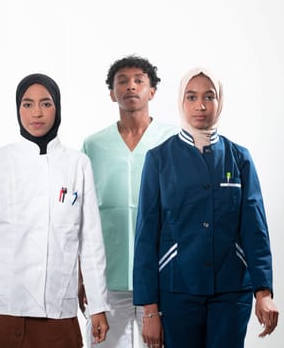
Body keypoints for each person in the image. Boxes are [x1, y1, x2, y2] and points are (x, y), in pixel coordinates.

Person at [0, 73, 110, 348]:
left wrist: (98, 305)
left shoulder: (78, 164)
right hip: (4, 306)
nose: (36, 112)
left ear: (58, 107)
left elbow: (91, 242)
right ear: (18, 109)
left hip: (57, 309)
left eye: (46, 103)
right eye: (27, 104)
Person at [133, 67, 279, 348]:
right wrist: (149, 310)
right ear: (181, 102)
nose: (200, 105)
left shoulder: (239, 159)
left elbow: (255, 229)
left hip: (231, 290)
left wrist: (264, 292)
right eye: (191, 97)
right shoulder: (159, 159)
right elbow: (145, 237)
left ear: (219, 101)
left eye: (208, 97)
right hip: (177, 290)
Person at [79, 55, 178, 347]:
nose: (131, 86)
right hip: (108, 275)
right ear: (112, 93)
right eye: (122, 81)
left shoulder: (172, 140)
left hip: (163, 274)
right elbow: (83, 214)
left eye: (139, 80)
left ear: (152, 91)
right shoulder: (93, 145)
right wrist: (82, 274)